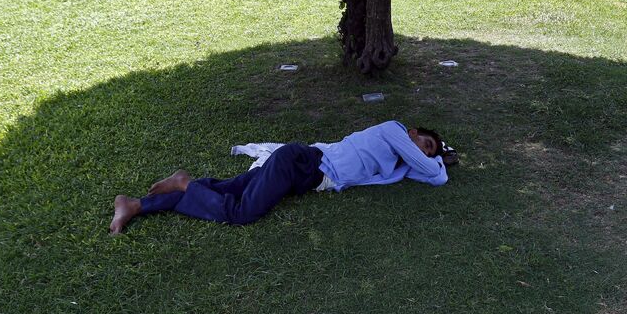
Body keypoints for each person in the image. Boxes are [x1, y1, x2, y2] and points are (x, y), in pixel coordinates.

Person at [110, 120, 449, 234]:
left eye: (430, 151)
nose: (425, 153)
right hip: (302, 163)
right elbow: (436, 177)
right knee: (242, 212)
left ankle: (136, 205)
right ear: (413, 132)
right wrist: (441, 158)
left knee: (228, 189)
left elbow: (427, 174)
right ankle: (187, 183)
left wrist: (438, 157)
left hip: (300, 170)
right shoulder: (393, 130)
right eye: (426, 144)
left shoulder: (398, 161)